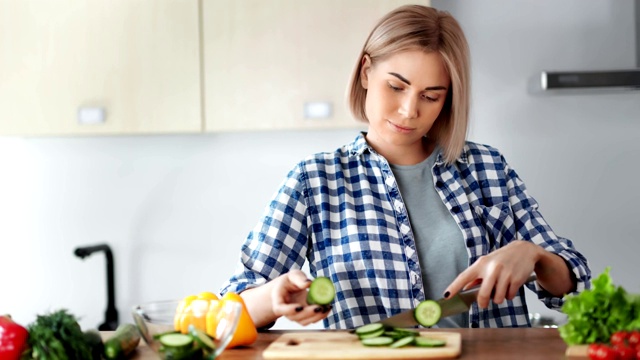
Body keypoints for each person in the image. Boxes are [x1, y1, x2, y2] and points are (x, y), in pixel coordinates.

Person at [220, 4, 591, 330]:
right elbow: (230, 310)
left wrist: (534, 255)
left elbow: (575, 292)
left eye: (431, 96)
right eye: (396, 87)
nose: (409, 111)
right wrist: (273, 298)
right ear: (366, 72)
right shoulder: (314, 181)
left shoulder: (487, 169)